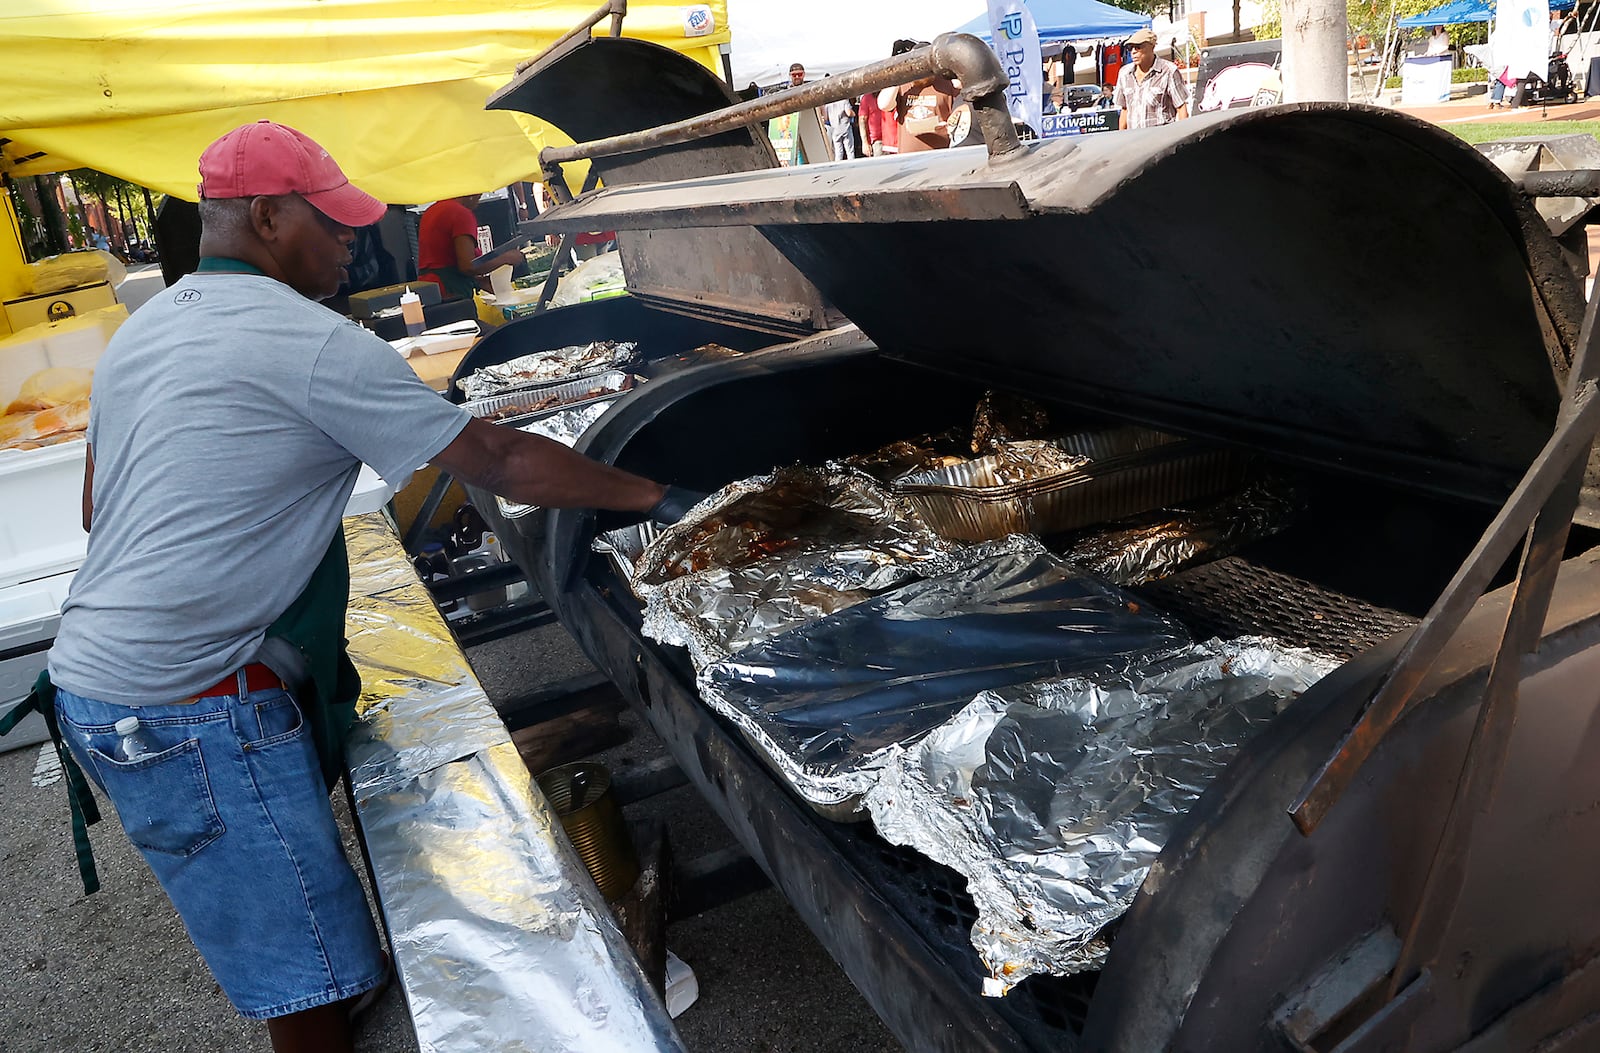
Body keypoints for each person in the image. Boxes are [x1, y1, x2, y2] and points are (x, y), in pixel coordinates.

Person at [43, 119, 696, 1053]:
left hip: (99, 685)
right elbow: (498, 456)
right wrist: (657, 494)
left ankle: (331, 980)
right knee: (305, 976)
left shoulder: (146, 331)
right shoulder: (311, 341)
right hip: (188, 707)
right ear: (267, 217)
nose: (353, 239)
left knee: (297, 926)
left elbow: (95, 506)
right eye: (335, 222)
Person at [416, 193, 523, 301]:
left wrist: (478, 281)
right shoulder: (461, 213)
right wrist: (506, 258)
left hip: (431, 289)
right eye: (478, 197)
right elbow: (468, 266)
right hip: (450, 293)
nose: (477, 203)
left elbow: (443, 257)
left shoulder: (433, 210)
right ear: (470, 194)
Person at [1113, 27, 1189, 130]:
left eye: (1138, 47)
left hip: (1161, 139)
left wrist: (1184, 136)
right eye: (1131, 48)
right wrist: (1121, 139)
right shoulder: (1124, 73)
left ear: (1152, 47)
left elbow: (1181, 107)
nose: (1133, 52)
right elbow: (1125, 109)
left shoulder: (1169, 71)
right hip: (1133, 140)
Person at [824, 94, 857, 160]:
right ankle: (852, 166)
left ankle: (838, 167)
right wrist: (854, 113)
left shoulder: (828, 104)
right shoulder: (844, 101)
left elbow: (826, 118)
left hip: (835, 129)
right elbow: (849, 113)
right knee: (850, 151)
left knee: (838, 151)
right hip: (845, 127)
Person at [858, 89, 888, 156]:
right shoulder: (867, 98)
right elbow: (862, 120)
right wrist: (865, 143)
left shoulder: (889, 93)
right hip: (877, 142)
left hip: (891, 139)